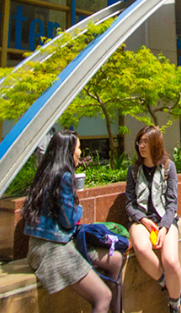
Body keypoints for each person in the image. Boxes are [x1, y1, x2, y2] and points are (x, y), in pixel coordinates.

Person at [23, 130, 123, 313]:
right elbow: (69, 220)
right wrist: (80, 209)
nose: (80, 152)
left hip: (48, 244)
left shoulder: (44, 174)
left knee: (116, 260)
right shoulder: (64, 177)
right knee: (103, 297)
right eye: (78, 148)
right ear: (68, 151)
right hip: (52, 249)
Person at [125, 126, 181, 313]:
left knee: (170, 260)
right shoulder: (134, 170)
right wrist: (142, 219)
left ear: (155, 143)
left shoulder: (169, 167)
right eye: (139, 141)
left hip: (165, 220)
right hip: (141, 219)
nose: (141, 146)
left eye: (145, 141)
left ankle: (174, 304)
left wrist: (164, 227)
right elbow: (129, 204)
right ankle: (165, 283)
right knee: (142, 248)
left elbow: (172, 203)